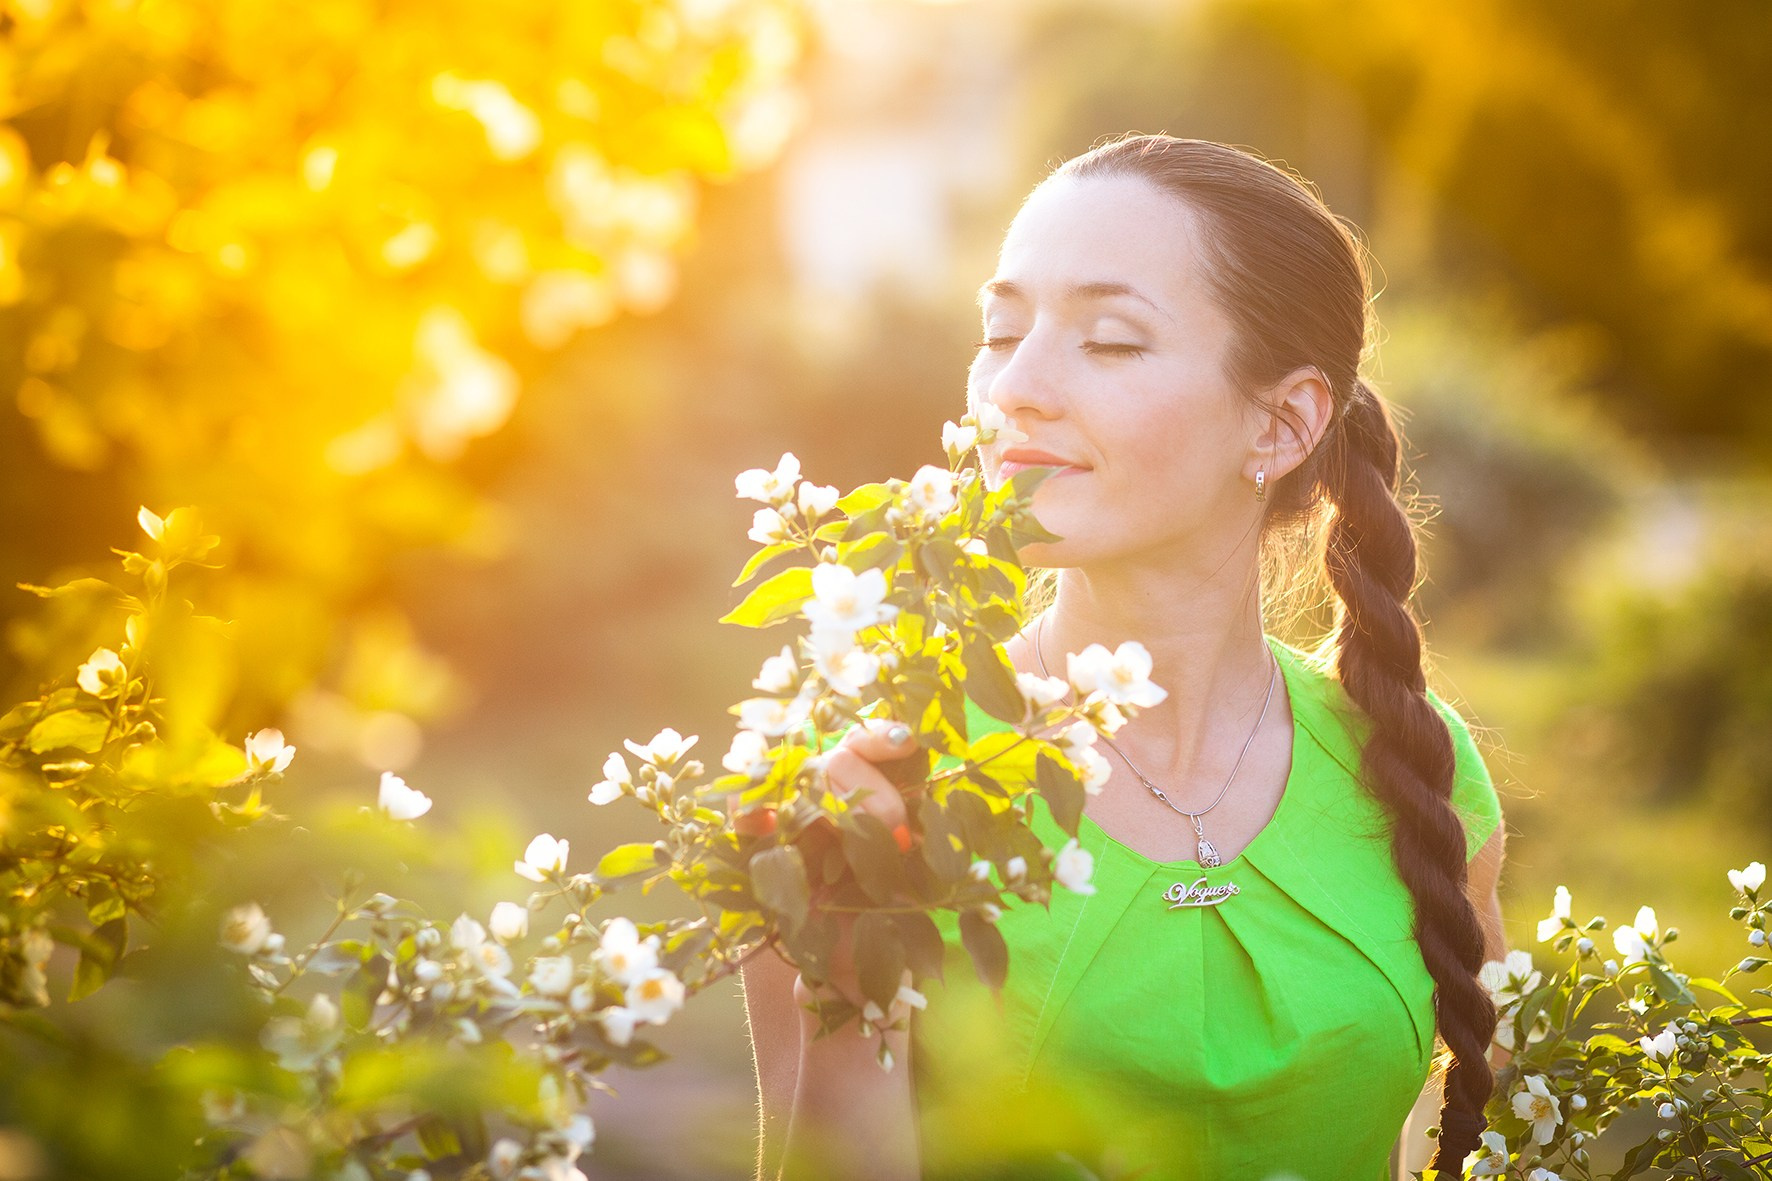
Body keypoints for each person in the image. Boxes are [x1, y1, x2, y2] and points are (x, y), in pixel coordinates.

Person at [739, 134, 1511, 1181]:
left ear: (1281, 424)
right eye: (1000, 331)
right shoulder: (871, 780)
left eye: (1107, 341)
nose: (1015, 385)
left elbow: (1464, 1138)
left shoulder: (1412, 762)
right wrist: (842, 985)